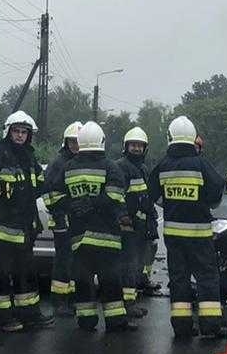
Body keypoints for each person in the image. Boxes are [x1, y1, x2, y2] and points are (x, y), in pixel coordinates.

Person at [49, 121, 135, 332]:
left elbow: (52, 196)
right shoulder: (110, 166)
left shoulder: (68, 167)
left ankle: (86, 320)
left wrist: (73, 205)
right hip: (107, 236)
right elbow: (116, 193)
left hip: (79, 238)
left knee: (82, 280)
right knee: (110, 280)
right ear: (102, 141)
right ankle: (116, 321)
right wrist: (95, 203)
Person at [148, 114, 227, 339]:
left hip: (173, 236)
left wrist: (170, 203)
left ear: (170, 137)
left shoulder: (163, 165)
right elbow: (216, 193)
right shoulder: (201, 164)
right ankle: (210, 326)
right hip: (199, 234)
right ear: (193, 137)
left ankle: (182, 326)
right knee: (207, 278)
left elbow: (152, 194)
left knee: (179, 279)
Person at [0, 110, 52, 331]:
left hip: (24, 228)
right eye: (16, 131)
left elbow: (41, 183)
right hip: (1, 229)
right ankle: (1, 319)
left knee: (26, 275)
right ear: (8, 131)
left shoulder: (29, 156)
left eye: (24, 132)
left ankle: (29, 315)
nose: (20, 135)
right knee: (0, 276)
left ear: (29, 135)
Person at [41, 121, 83, 314]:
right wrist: (67, 206)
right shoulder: (59, 163)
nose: (76, 145)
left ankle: (71, 298)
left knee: (75, 260)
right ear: (66, 142)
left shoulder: (82, 162)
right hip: (62, 219)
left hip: (77, 220)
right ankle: (59, 301)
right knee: (63, 260)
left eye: (79, 141)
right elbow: (48, 194)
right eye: (72, 141)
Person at [118, 126, 155, 314]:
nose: (137, 148)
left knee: (138, 262)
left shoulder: (143, 168)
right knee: (129, 264)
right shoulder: (121, 167)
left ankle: (133, 298)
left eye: (140, 146)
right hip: (128, 225)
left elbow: (146, 196)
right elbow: (118, 195)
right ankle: (128, 304)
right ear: (126, 146)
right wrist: (124, 217)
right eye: (133, 145)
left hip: (140, 225)